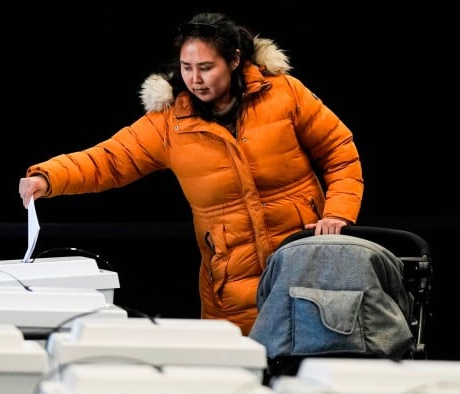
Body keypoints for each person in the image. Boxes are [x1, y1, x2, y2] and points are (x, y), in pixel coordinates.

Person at [19, 12, 363, 335]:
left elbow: (340, 153)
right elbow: (109, 159)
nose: (195, 79)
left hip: (307, 265)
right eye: (186, 68)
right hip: (230, 285)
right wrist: (47, 178)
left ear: (234, 60)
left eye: (206, 67)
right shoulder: (170, 123)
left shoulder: (284, 93)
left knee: (313, 366)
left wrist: (337, 214)